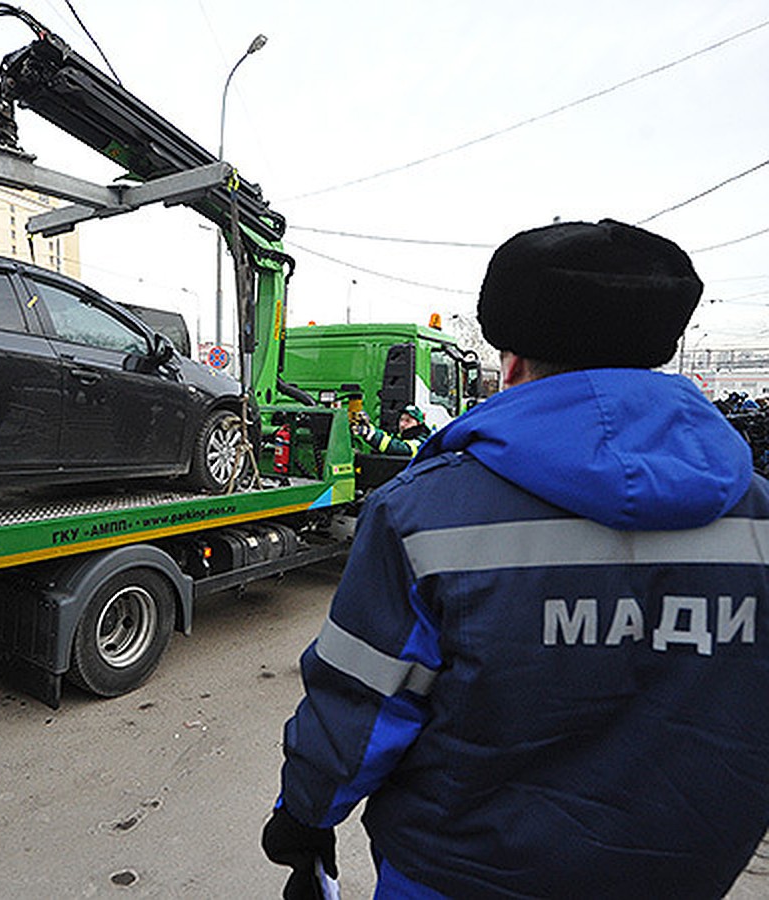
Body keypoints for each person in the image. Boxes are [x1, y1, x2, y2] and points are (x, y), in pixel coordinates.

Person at [261, 219, 769, 899]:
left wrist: (303, 816)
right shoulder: (759, 516)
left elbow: (359, 704)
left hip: (455, 876)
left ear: (513, 366)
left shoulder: (423, 514)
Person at [353, 404, 431, 457]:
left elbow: (403, 449)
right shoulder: (401, 436)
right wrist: (369, 426)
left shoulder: (423, 440)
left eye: (408, 421)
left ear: (419, 423)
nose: (402, 424)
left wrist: (371, 434)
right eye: (401, 420)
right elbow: (388, 438)